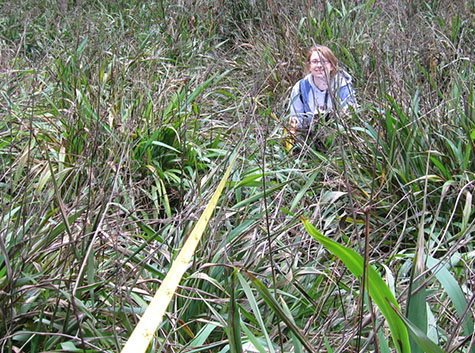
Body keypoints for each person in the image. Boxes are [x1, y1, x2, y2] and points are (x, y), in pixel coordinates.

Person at [287, 45, 356, 151]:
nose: (319, 65)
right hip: (310, 140)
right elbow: (295, 121)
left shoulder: (342, 86)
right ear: (309, 66)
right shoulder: (300, 88)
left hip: (339, 139)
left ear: (332, 66)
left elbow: (352, 113)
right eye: (315, 61)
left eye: (324, 62)